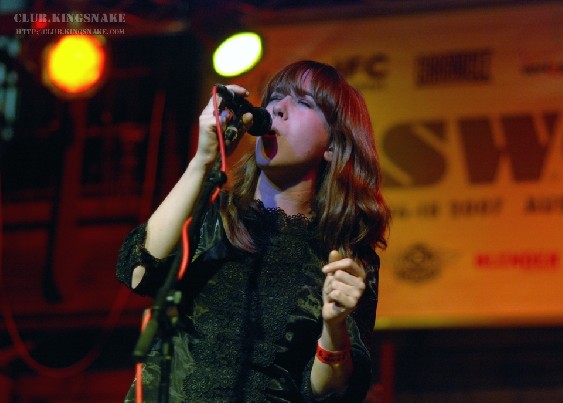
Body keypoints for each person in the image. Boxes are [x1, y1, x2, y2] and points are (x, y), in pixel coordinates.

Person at [116, 60, 391, 402]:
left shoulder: (344, 255)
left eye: (303, 102)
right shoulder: (212, 214)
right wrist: (203, 160)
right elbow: (138, 272)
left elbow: (330, 392)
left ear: (333, 144)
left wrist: (334, 327)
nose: (278, 107)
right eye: (275, 96)